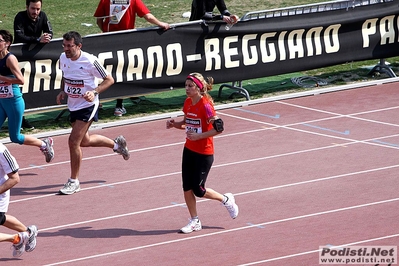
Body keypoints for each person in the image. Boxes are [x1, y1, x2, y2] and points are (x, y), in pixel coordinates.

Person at [56, 31, 130, 195]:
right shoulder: (62, 58)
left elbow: (109, 80)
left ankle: (74, 181)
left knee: (73, 141)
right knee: (84, 141)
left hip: (87, 105)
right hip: (73, 104)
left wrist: (94, 92)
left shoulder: (90, 61)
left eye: (70, 46)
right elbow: (65, 75)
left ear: (79, 46)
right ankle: (117, 145)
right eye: (64, 45)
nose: (66, 49)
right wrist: (63, 91)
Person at [166, 72, 238, 234]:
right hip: (189, 149)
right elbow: (186, 123)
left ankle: (226, 200)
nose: (187, 88)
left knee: (198, 190)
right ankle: (194, 220)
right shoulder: (188, 103)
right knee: (186, 187)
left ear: (199, 88)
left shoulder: (205, 105)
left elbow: (218, 128)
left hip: (204, 153)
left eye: (190, 86)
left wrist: (200, 136)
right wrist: (174, 124)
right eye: (186, 86)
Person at [94, 0, 170, 117]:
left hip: (108, 41)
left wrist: (105, 32)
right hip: (126, 42)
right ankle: (119, 106)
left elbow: (99, 20)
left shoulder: (105, 0)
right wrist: (161, 23)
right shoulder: (133, 0)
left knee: (105, 72)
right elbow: (148, 16)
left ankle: (98, 101)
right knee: (122, 72)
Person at [0, 30, 54, 163]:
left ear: (7, 43)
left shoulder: (10, 59)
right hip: (1, 101)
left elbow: (21, 80)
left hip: (13, 101)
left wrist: (1, 78)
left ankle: (43, 144)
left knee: (15, 137)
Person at [13, 0, 53, 130]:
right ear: (27, 7)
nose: (35, 12)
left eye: (38, 9)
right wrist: (37, 40)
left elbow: (50, 31)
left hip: (35, 57)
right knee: (18, 89)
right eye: (33, 9)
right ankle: (19, 119)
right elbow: (20, 36)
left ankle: (23, 118)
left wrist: (48, 37)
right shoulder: (20, 16)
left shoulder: (43, 16)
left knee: (29, 87)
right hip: (19, 57)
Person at [0, 142, 38, 257]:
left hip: (0, 192)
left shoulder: (1, 151)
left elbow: (15, 178)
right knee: (0, 218)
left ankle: (17, 238)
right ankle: (26, 233)